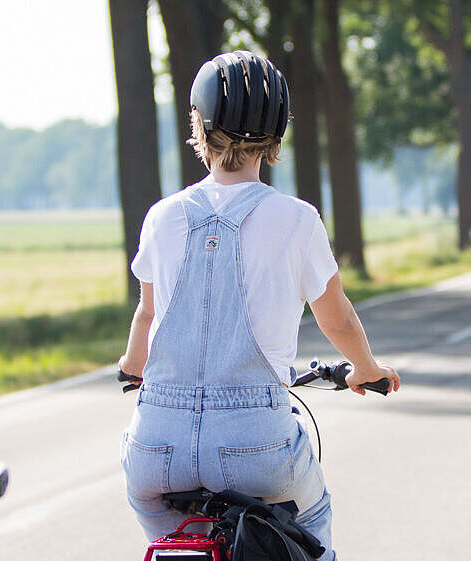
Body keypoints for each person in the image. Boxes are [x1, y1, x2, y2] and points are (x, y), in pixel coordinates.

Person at [117, 50, 402, 560]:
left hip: (156, 448)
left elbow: (147, 314)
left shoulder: (162, 217)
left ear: (199, 128)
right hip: (255, 445)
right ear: (275, 139)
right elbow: (336, 316)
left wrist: (133, 366)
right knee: (312, 524)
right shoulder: (296, 220)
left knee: (168, 538)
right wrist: (365, 367)